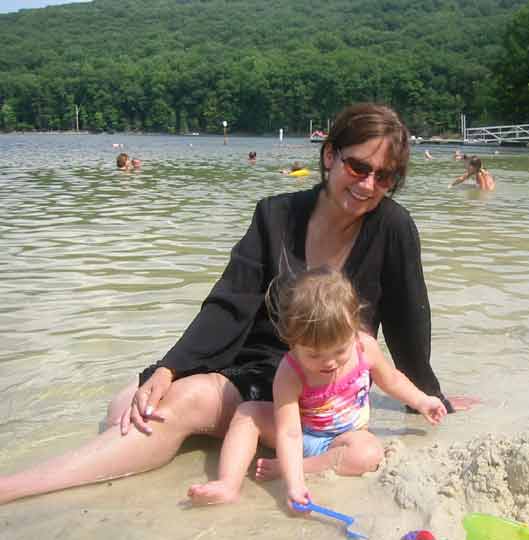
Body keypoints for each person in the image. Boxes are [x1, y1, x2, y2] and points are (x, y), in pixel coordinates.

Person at [0, 102, 474, 506]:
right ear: (330, 156)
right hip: (250, 360)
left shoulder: (391, 227)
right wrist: (168, 367)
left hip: (311, 378)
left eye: (384, 176)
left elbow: (411, 320)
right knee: (131, 398)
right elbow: (229, 303)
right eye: (358, 167)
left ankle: (15, 487)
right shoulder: (275, 215)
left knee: (174, 406)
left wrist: (430, 396)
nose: (369, 185)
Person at [187, 268, 447, 506]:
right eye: (314, 355)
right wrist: (295, 485)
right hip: (303, 430)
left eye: (339, 351)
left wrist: (423, 401)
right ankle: (228, 484)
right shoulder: (290, 372)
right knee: (248, 412)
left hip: (345, 437)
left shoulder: (364, 347)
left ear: (354, 329)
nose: (329, 362)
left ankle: (296, 466)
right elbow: (289, 432)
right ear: (292, 343)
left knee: (369, 452)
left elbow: (391, 380)